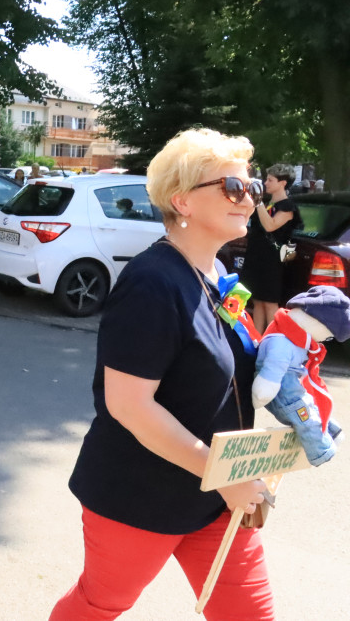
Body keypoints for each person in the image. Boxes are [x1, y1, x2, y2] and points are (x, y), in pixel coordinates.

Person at [49, 128, 273, 620]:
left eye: (251, 189)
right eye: (232, 188)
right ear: (182, 201)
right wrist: (222, 474)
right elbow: (128, 405)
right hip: (141, 495)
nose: (248, 200)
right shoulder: (151, 282)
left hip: (217, 495)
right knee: (100, 604)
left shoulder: (216, 272)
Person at [240, 164, 302, 333]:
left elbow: (270, 226)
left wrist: (258, 202)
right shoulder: (267, 203)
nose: (265, 183)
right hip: (257, 256)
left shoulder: (287, 206)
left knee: (270, 301)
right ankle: (257, 340)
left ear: (282, 183)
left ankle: (273, 339)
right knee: (258, 301)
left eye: (270, 180)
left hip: (273, 260)